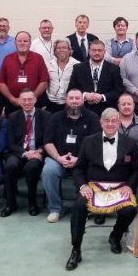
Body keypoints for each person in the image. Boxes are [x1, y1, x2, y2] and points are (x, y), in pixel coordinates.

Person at [67, 108, 138, 271]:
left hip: (120, 188)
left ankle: (115, 236)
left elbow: (136, 169)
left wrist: (129, 186)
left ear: (119, 123)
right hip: (94, 188)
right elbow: (78, 169)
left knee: (130, 210)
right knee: (78, 207)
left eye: (114, 121)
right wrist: (83, 186)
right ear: (101, 123)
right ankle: (76, 249)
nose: (110, 124)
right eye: (107, 121)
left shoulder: (130, 143)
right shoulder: (88, 141)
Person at [41, 88, 100, 222]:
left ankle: (87, 207)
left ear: (83, 100)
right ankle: (56, 209)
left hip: (84, 161)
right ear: (66, 100)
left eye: (77, 98)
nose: (74, 101)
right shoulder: (55, 118)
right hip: (59, 159)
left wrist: (79, 159)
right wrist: (58, 158)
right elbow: (48, 142)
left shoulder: (92, 117)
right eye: (71, 98)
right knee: (48, 170)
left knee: (96, 169)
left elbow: (96, 145)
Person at [2, 89, 49, 217]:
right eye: (24, 100)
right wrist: (24, 153)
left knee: (31, 167)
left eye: (30, 99)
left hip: (37, 152)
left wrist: (39, 151)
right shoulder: (13, 117)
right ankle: (10, 203)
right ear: (19, 101)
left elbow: (49, 140)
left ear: (35, 100)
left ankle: (32, 203)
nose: (27, 102)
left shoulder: (45, 116)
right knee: (10, 166)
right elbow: (10, 142)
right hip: (18, 152)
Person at [67, 40, 125, 116]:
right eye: (94, 50)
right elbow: (71, 89)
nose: (97, 53)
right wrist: (84, 95)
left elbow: (119, 90)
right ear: (89, 51)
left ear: (104, 52)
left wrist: (102, 97)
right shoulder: (78, 68)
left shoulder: (114, 69)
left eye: (99, 50)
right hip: (83, 110)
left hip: (107, 111)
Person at [0, 31, 49, 113]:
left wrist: (32, 98)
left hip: (34, 104)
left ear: (30, 43)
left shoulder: (38, 58)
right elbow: (1, 82)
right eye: (19, 41)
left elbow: (44, 81)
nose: (22, 43)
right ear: (15, 43)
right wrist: (11, 98)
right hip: (12, 104)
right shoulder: (7, 59)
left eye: (25, 41)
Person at [44, 39, 79, 113]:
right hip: (51, 103)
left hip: (69, 104)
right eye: (58, 48)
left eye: (64, 47)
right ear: (55, 51)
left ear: (69, 50)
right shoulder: (49, 64)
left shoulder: (77, 65)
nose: (61, 50)